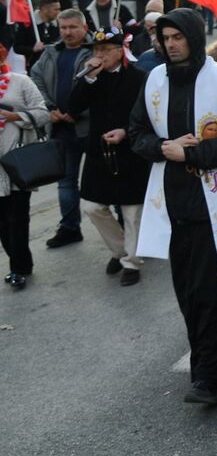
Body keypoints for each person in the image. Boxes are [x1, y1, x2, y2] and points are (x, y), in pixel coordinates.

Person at [128, 8, 217, 406]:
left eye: (177, 37)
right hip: (172, 202)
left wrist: (190, 154)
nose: (170, 45)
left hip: (214, 201)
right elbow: (137, 131)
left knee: (211, 288)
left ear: (192, 37)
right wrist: (162, 149)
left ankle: (205, 376)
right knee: (189, 290)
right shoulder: (154, 80)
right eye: (164, 38)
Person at [62, 27, 151, 285]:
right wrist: (87, 79)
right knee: (92, 206)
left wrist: (126, 131)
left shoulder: (139, 77)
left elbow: (147, 115)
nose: (100, 54)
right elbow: (72, 108)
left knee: (132, 211)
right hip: (100, 152)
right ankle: (120, 250)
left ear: (119, 50)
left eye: (105, 50)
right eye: (96, 50)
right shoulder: (92, 77)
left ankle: (132, 263)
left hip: (130, 151)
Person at [30, 7, 93, 249]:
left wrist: (77, 111)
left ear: (84, 28)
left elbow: (99, 87)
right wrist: (49, 108)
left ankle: (123, 226)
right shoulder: (50, 53)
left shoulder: (95, 51)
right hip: (61, 130)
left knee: (108, 179)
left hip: (91, 128)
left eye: (72, 27)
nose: (67, 32)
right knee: (66, 182)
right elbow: (35, 78)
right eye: (63, 28)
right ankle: (69, 227)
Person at [0, 42, 49, 289]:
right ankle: (22, 262)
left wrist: (15, 117)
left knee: (17, 218)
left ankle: (17, 269)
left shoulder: (21, 82)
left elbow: (42, 113)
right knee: (2, 222)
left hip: (18, 161)